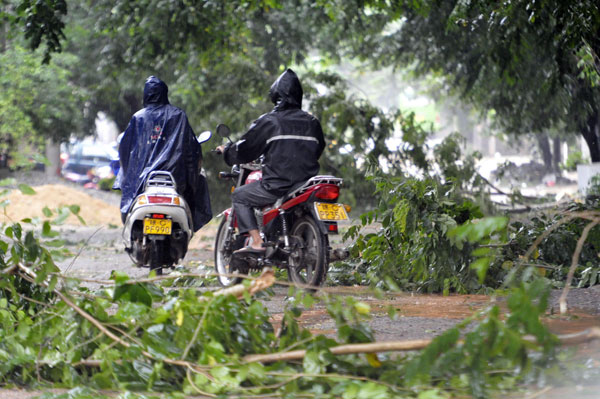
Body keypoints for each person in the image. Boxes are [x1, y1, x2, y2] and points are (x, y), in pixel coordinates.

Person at [216, 68, 325, 253]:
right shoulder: (312, 122)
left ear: (276, 96)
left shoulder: (270, 121)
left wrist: (227, 151)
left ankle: (257, 241)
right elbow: (318, 148)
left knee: (240, 196)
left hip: (277, 185)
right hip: (305, 183)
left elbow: (245, 149)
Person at [116, 75, 212, 231]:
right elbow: (191, 149)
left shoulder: (139, 118)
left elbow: (126, 151)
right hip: (176, 178)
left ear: (145, 94)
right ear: (164, 93)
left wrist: (129, 175)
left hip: (143, 180)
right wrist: (191, 177)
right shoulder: (178, 115)